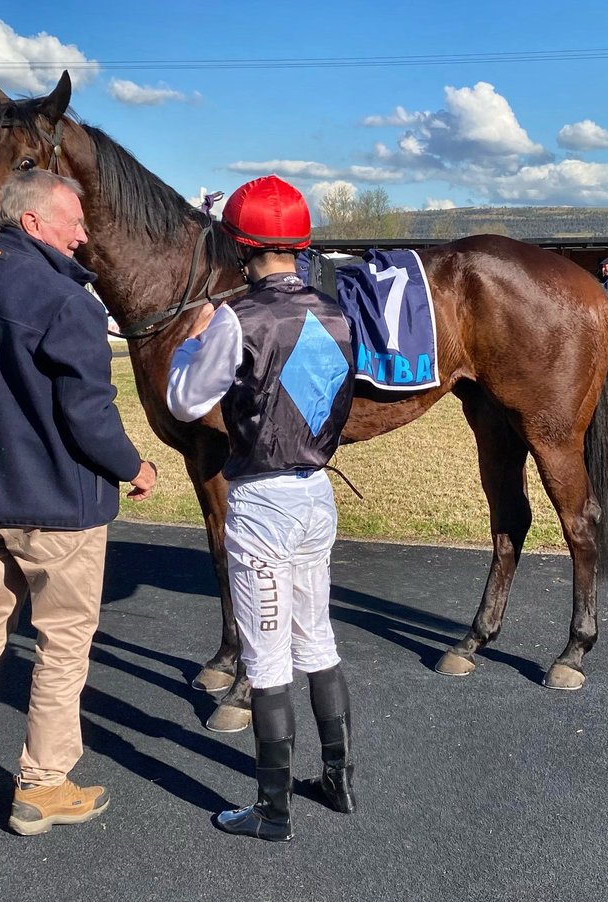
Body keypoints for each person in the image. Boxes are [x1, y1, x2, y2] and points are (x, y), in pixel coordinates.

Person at [0, 169, 158, 835]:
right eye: (73, 221)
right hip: (57, 505)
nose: (83, 234)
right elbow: (89, 413)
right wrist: (134, 466)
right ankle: (44, 786)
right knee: (63, 645)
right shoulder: (66, 299)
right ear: (33, 223)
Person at [166, 175, 357, 843]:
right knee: (320, 640)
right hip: (317, 493)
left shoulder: (235, 319)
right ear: (299, 247)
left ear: (243, 249)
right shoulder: (338, 313)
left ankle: (272, 812)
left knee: (268, 657)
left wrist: (190, 343)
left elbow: (185, 402)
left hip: (260, 501)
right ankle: (337, 781)